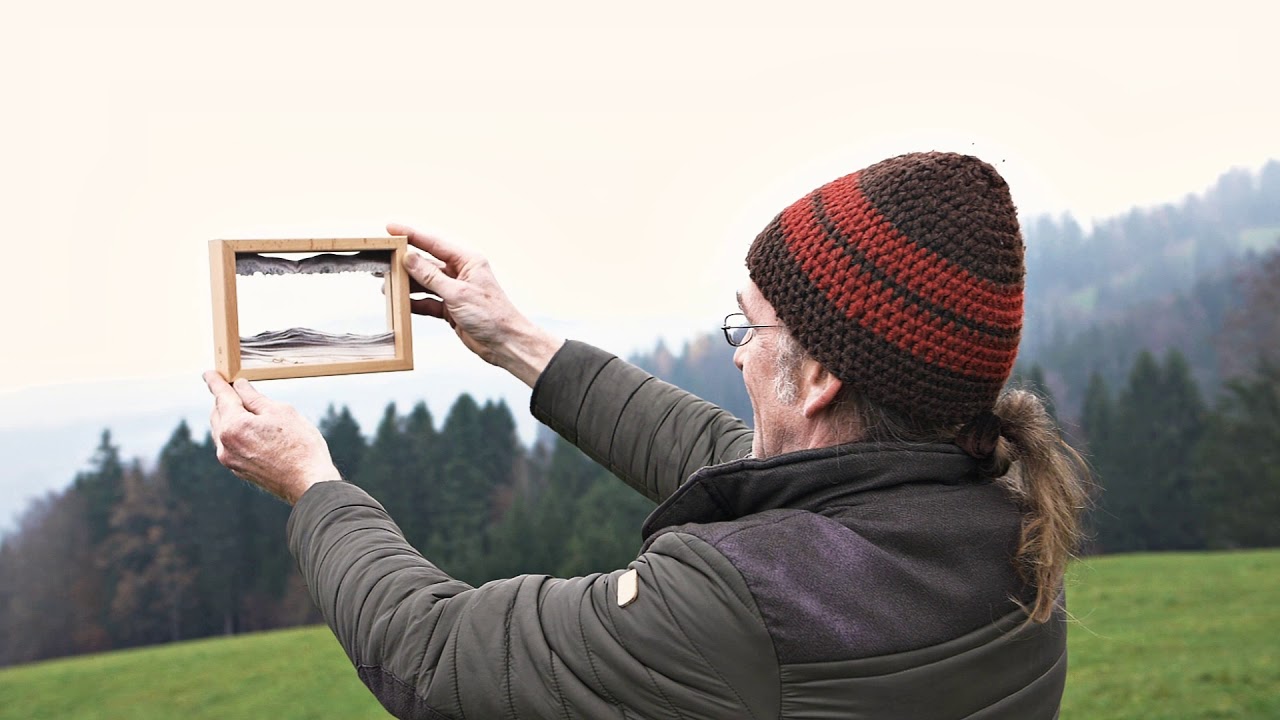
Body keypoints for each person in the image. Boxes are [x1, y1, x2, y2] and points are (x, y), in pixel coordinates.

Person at [205, 151, 1089, 719]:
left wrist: (311, 483)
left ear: (820, 379)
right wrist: (513, 338)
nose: (739, 360)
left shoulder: (741, 605)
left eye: (749, 331)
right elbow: (724, 462)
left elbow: (432, 656)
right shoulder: (1000, 520)